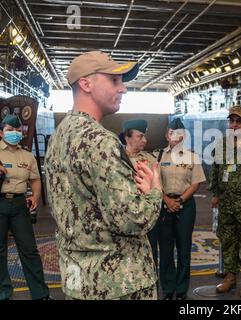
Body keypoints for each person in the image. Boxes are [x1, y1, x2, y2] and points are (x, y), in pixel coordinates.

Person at [44, 51, 162, 300]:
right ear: (86, 84)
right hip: (119, 283)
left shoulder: (60, 135)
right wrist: (153, 191)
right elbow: (133, 220)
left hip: (79, 281)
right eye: (114, 80)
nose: (124, 89)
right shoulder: (100, 141)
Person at [210, 106, 241, 297]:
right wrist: (215, 193)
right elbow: (216, 169)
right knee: (228, 240)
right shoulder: (222, 144)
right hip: (226, 203)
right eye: (231, 121)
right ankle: (230, 276)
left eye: (238, 121)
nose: (234, 125)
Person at [0, 115, 51, 300]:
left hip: (20, 205)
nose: (14, 133)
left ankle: (40, 293)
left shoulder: (27, 155)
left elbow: (36, 179)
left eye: (17, 130)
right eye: (9, 129)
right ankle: (3, 292)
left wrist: (35, 196)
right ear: (1, 132)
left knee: (29, 249)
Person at [155, 118, 205, 300]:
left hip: (186, 205)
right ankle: (168, 289)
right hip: (164, 205)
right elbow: (155, 182)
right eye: (171, 133)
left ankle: (182, 289)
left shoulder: (192, 156)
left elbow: (196, 183)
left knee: (184, 250)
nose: (175, 137)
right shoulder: (159, 156)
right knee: (166, 251)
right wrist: (167, 200)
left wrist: (180, 200)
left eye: (179, 134)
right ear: (167, 135)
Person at [120, 119, 160, 264]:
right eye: (140, 136)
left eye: (145, 136)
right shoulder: (115, 159)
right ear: (127, 137)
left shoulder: (150, 160)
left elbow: (157, 187)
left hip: (145, 213)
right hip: (123, 215)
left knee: (150, 253)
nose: (144, 140)